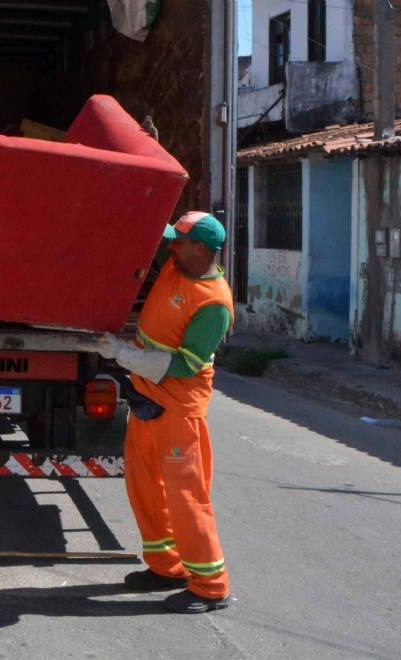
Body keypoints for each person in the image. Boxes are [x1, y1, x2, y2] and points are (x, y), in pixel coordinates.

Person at [93, 211, 235, 614]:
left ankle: (210, 585)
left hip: (177, 409)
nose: (170, 247)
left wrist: (121, 353)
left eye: (179, 242)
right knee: (144, 486)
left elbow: (183, 365)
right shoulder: (177, 267)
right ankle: (165, 567)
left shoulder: (213, 303)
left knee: (186, 497)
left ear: (201, 249)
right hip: (145, 397)